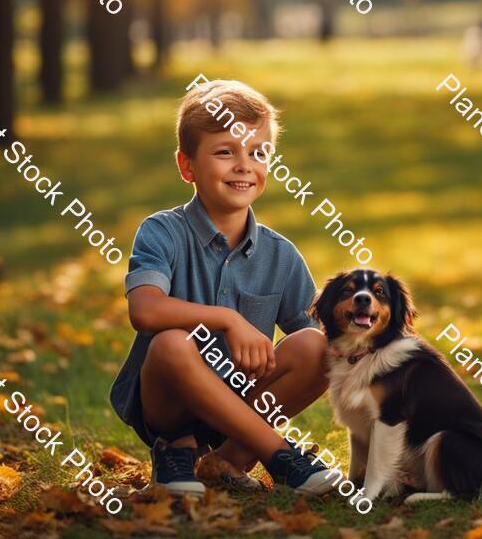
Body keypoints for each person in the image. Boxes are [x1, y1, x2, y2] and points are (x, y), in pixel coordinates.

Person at [110, 79, 333, 497]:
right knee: (172, 343)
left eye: (258, 152)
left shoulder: (281, 255)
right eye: (225, 151)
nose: (244, 165)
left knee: (318, 347)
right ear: (187, 166)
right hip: (168, 402)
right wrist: (228, 320)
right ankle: (258, 455)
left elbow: (326, 346)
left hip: (245, 401)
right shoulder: (161, 232)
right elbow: (145, 311)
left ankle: (228, 461)